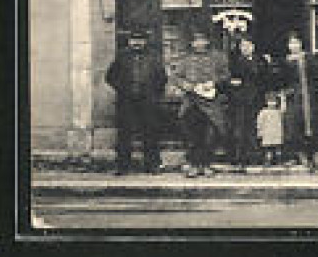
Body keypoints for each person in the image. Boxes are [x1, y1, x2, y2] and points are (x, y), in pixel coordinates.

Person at [103, 29, 167, 174]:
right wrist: (122, 88)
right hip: (127, 101)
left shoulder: (153, 57)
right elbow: (110, 77)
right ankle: (123, 166)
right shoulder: (122, 56)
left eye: (140, 40)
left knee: (150, 132)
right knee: (124, 133)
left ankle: (152, 165)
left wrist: (153, 92)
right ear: (129, 41)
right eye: (134, 40)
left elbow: (162, 78)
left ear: (145, 41)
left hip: (148, 101)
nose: (137, 43)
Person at [172, 29, 230, 177]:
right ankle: (193, 164)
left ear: (207, 42)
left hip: (211, 102)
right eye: (196, 41)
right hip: (192, 102)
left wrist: (214, 83)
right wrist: (187, 86)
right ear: (192, 43)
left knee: (210, 134)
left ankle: (206, 164)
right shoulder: (185, 60)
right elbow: (176, 77)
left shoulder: (218, 57)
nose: (199, 44)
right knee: (193, 135)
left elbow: (226, 75)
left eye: (202, 41)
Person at [279, 32, 318, 172]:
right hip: (293, 96)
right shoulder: (285, 61)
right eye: (291, 43)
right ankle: (297, 155)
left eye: (296, 43)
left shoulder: (309, 58)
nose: (293, 46)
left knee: (309, 125)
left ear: (301, 44)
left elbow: (317, 76)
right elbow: (282, 81)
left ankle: (310, 157)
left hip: (308, 96)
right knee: (293, 125)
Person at [224, 35, 266, 173]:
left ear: (253, 47)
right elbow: (227, 79)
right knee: (239, 129)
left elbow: (266, 77)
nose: (245, 48)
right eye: (242, 46)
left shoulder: (260, 60)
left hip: (256, 99)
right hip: (239, 100)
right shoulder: (235, 62)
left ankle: (255, 158)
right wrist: (232, 83)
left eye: (248, 46)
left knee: (254, 128)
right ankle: (239, 158)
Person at [256, 94, 286, 166]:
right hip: (267, 132)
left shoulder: (278, 112)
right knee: (268, 149)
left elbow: (284, 109)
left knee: (277, 148)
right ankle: (268, 161)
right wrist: (260, 132)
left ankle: (278, 161)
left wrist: (283, 98)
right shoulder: (263, 112)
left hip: (276, 132)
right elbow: (259, 123)